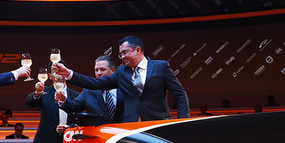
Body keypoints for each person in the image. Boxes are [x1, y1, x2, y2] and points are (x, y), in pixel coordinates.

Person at [53, 35, 189, 122]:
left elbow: (180, 95)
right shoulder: (121, 72)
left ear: (138, 50)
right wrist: (69, 73)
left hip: (157, 122)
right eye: (120, 54)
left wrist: (183, 122)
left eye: (125, 52)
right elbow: (95, 83)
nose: (122, 57)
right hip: (129, 125)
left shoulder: (161, 66)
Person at [26, 60, 79, 143]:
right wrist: (36, 93)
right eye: (55, 72)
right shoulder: (43, 92)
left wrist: (69, 127)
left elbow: (80, 119)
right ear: (50, 76)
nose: (58, 74)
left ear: (66, 74)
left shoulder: (76, 95)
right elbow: (29, 103)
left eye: (61, 70)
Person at [58, 55, 123, 126]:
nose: (99, 73)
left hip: (123, 133)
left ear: (113, 70)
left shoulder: (124, 87)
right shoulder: (89, 91)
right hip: (99, 134)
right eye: (96, 70)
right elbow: (74, 106)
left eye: (102, 69)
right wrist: (63, 100)